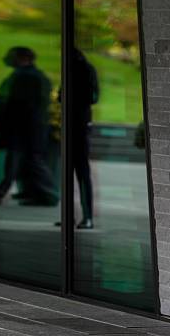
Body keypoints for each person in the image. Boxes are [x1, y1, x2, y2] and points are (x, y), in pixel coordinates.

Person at [0, 47, 58, 206]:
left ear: (23, 58)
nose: (9, 59)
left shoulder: (24, 77)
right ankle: (44, 195)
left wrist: (0, 117)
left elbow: (14, 103)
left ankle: (0, 192)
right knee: (29, 161)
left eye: (12, 56)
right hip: (31, 128)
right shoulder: (36, 77)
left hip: (21, 128)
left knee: (14, 162)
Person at [71, 49, 99, 229]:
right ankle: (81, 216)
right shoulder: (80, 69)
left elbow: (93, 97)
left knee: (81, 172)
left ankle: (87, 216)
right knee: (80, 172)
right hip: (78, 123)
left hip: (79, 124)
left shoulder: (82, 70)